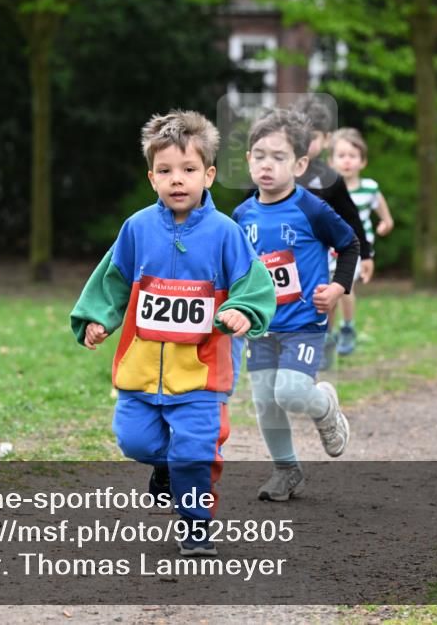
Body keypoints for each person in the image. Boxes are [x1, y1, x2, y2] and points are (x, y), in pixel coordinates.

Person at [70, 111, 276, 556]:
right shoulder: (137, 228)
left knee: (195, 453)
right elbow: (113, 279)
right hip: (141, 370)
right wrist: (99, 318)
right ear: (152, 178)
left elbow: (253, 284)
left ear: (209, 175)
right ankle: (165, 466)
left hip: (201, 375)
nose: (177, 179)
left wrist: (241, 310)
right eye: (165, 171)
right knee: (134, 440)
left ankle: (196, 524)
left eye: (188, 169)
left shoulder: (225, 233)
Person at [232, 109, 357, 502]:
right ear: (248, 160)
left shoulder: (312, 209)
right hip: (261, 325)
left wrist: (337, 288)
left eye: (278, 157)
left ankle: (325, 407)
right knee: (264, 400)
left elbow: (349, 244)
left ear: (300, 165)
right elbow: (235, 267)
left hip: (304, 320)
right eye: (259, 156)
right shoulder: (241, 215)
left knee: (289, 393)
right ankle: (285, 470)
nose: (266, 165)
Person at [290, 95, 373, 368]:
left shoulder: (331, 178)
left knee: (321, 298)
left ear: (326, 139)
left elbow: (352, 218)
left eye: (312, 137)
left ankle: (321, 343)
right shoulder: (279, 171)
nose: (305, 142)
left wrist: (366, 254)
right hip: (285, 254)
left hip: (320, 254)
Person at [327, 127, 394, 356]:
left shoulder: (370, 188)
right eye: (341, 156)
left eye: (352, 156)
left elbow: (383, 213)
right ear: (331, 161)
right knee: (328, 291)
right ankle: (327, 334)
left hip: (357, 248)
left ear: (362, 161)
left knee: (345, 287)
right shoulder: (325, 189)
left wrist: (386, 223)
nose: (347, 161)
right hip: (330, 248)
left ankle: (347, 327)